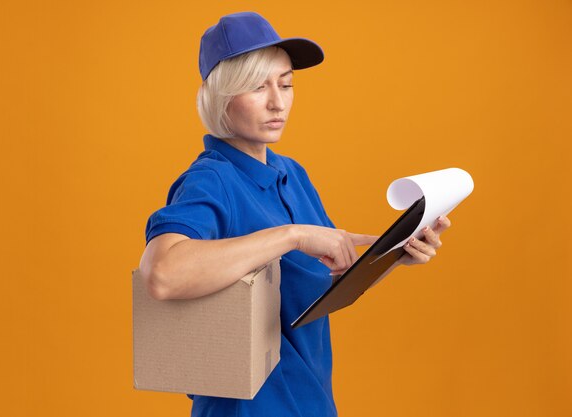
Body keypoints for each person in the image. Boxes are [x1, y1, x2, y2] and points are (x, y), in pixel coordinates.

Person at [139, 11, 451, 417]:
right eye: (257, 87)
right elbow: (162, 274)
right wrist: (292, 235)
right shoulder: (211, 181)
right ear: (220, 95)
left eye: (286, 84)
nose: (278, 102)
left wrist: (391, 250)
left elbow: (323, 286)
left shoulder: (293, 174)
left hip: (312, 403)